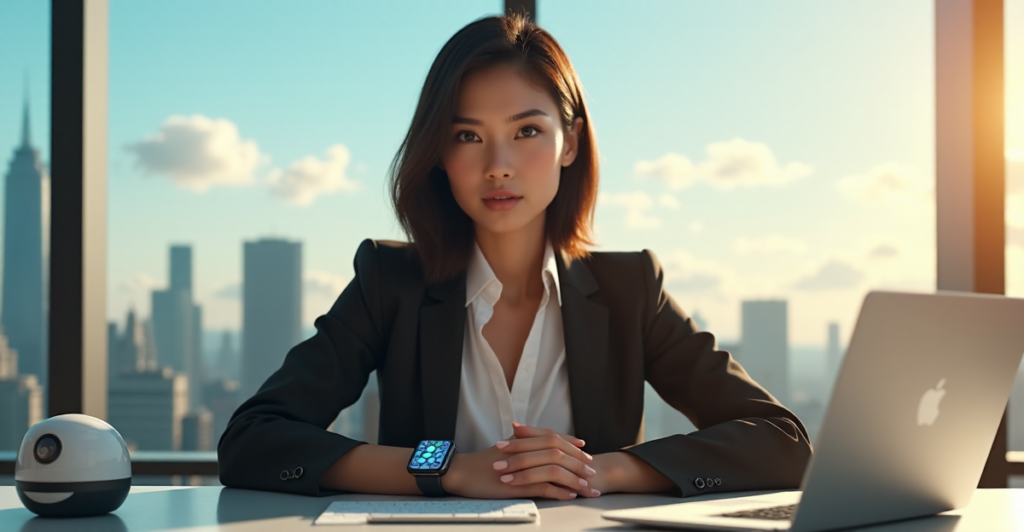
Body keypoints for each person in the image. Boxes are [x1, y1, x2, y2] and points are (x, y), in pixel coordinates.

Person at [217, 12, 812, 501]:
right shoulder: (389, 280)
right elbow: (252, 440)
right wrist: (444, 469)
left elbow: (782, 440)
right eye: (467, 136)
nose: (497, 163)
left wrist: (601, 471)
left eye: (527, 131)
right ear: (438, 154)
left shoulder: (631, 288)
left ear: (569, 141)